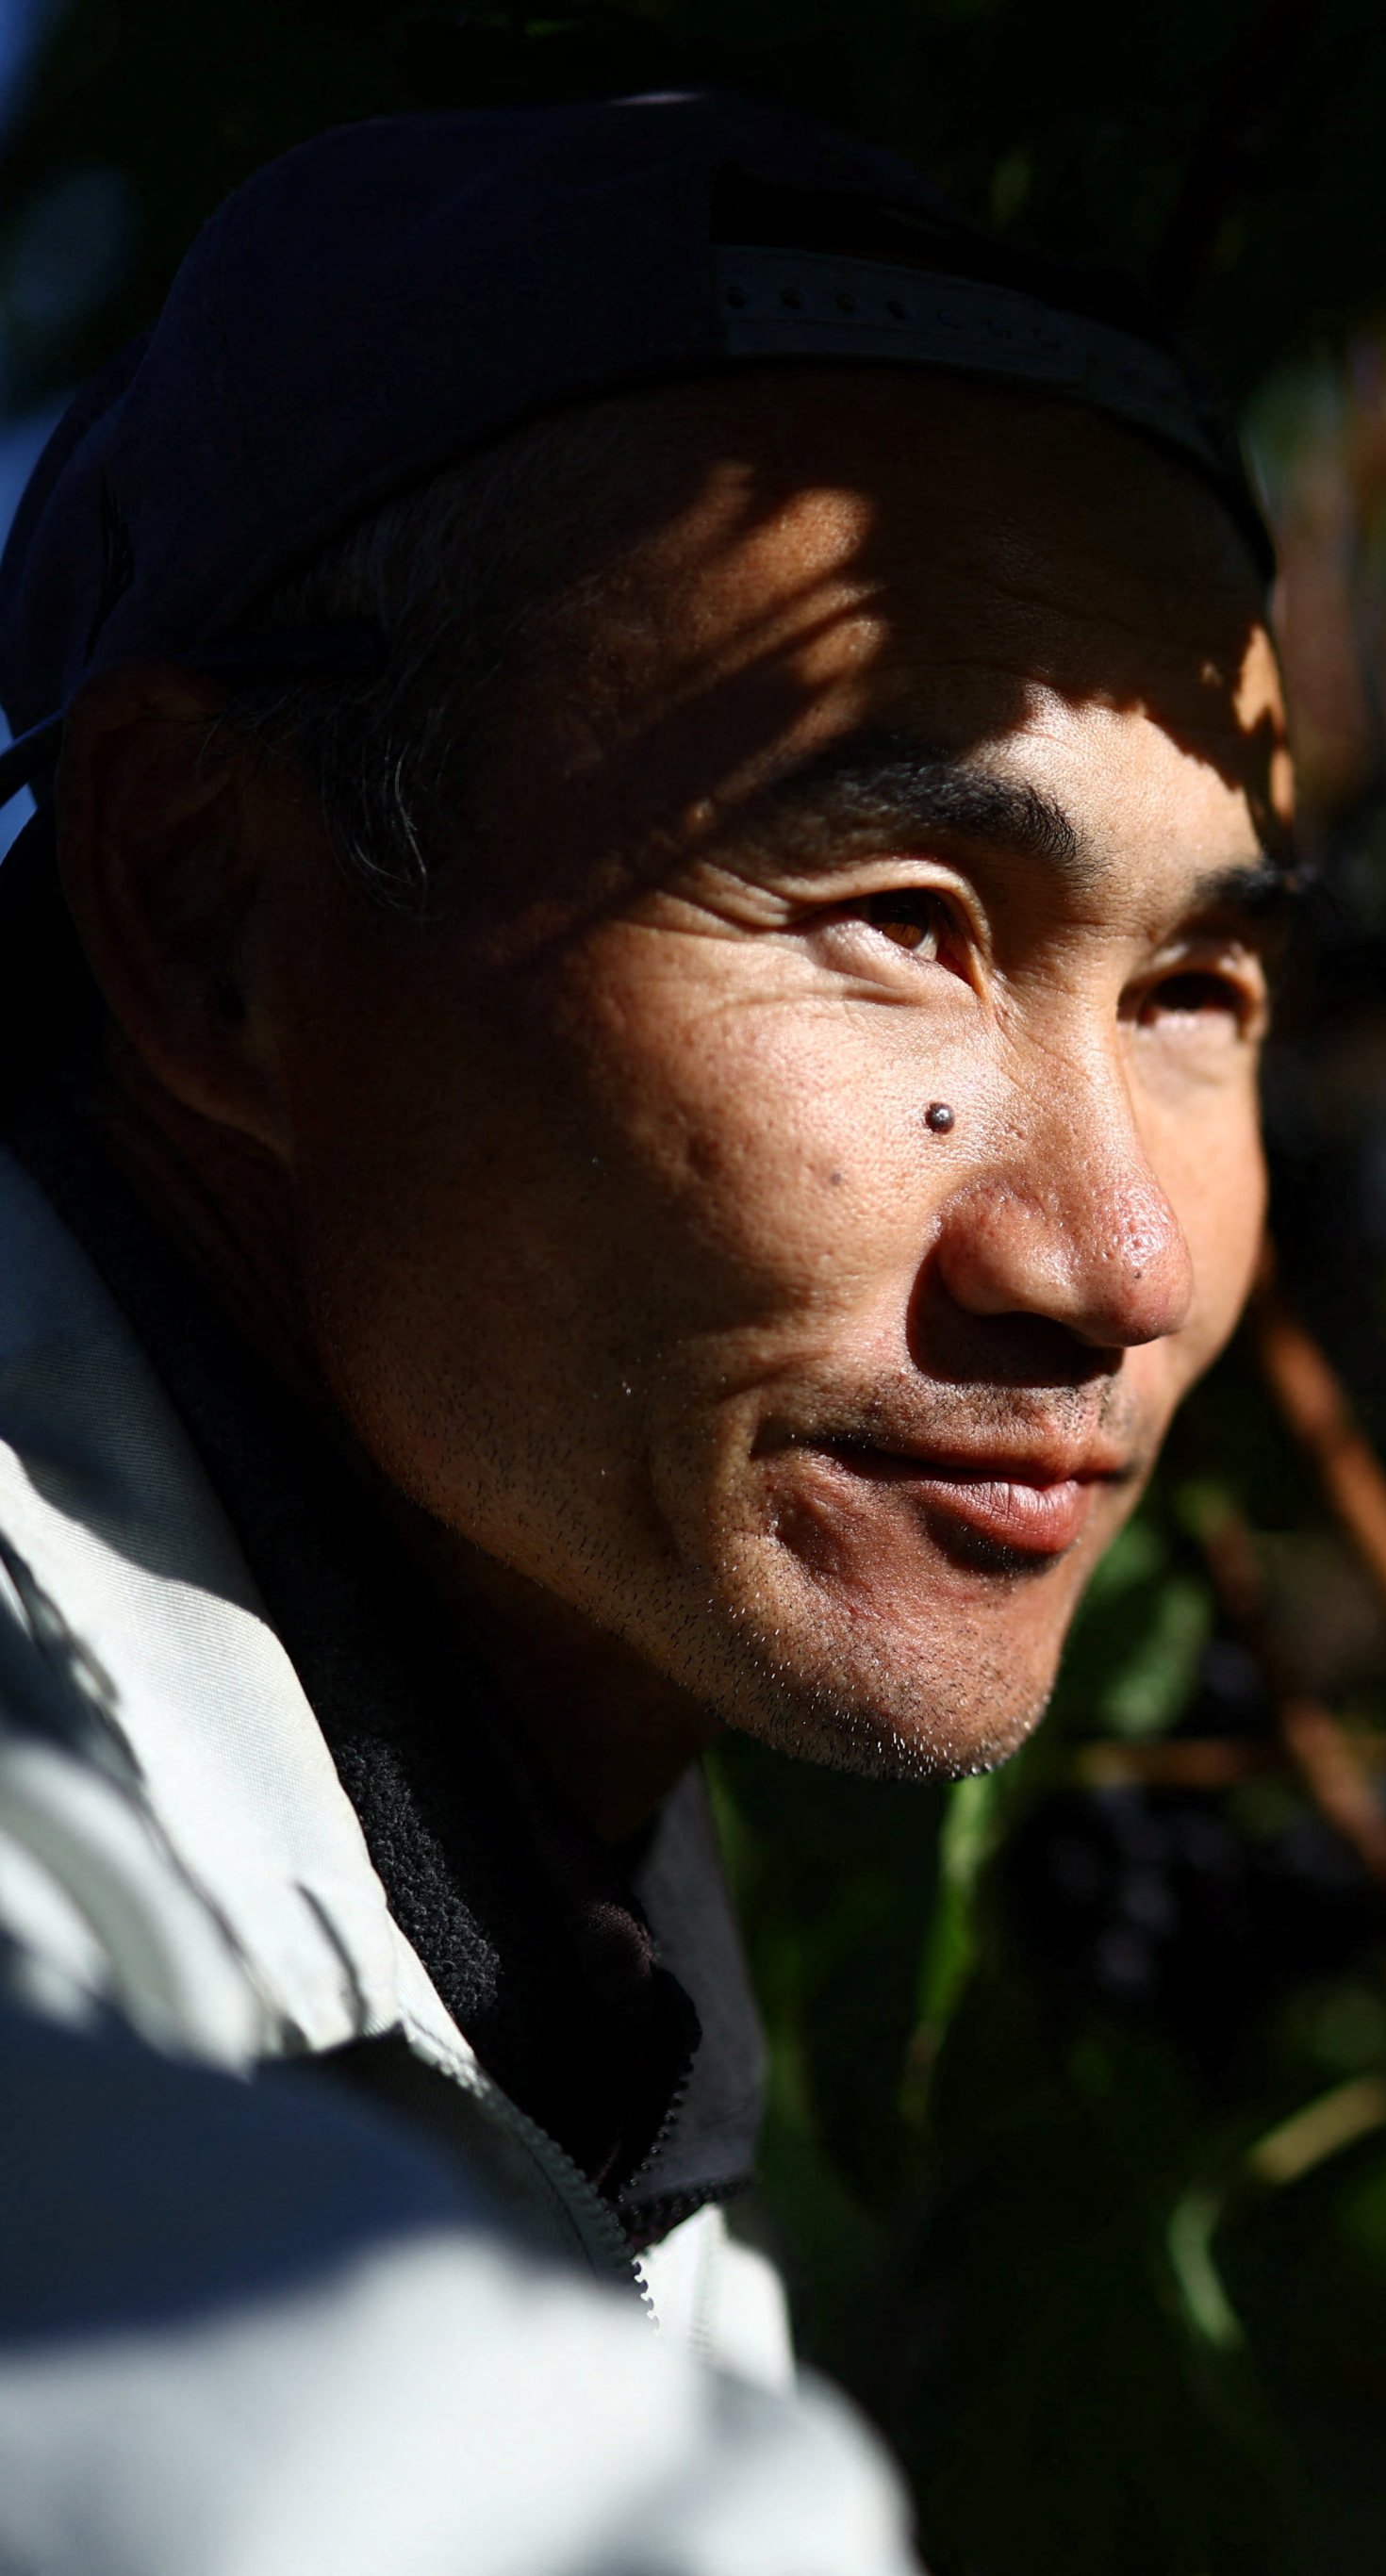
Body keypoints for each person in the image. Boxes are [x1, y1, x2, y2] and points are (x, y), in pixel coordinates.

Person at [0, 91, 1292, 2573]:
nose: (1118, 1257)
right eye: (904, 911)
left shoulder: (573, 1967)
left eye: (1203, 986)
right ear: (208, 919)